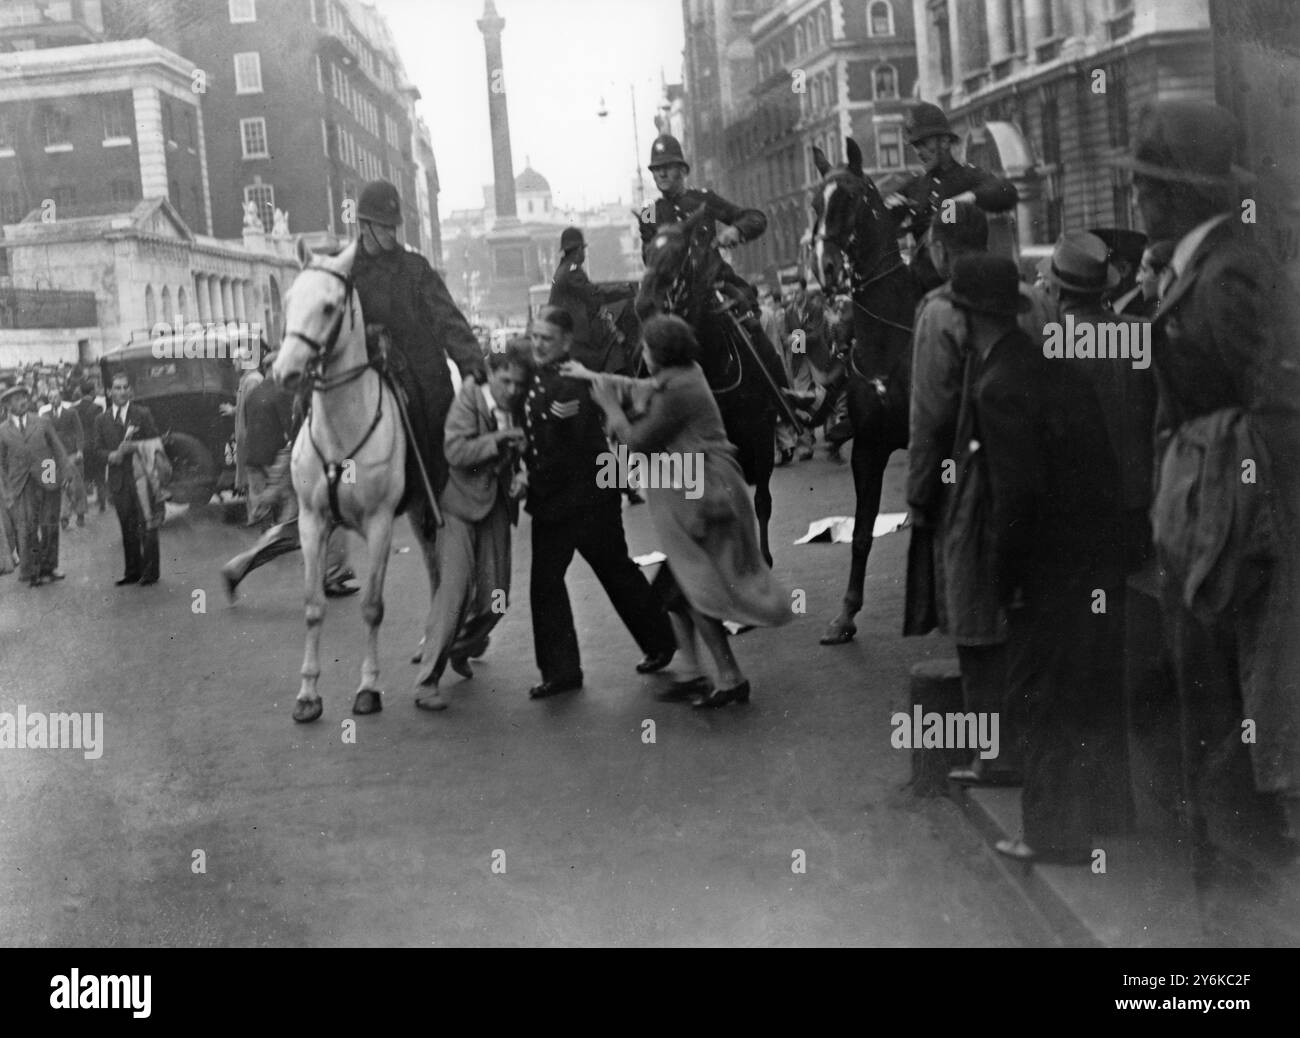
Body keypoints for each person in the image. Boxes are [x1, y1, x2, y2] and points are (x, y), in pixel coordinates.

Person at [1124, 100, 1300, 885]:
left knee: (1230, 687)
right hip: (1207, 512)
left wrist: (1239, 506)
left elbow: (1276, 409)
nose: (1138, 199)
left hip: (1237, 519)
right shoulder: (1195, 263)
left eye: (1147, 186)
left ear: (1175, 196)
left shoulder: (1229, 274)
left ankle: (1234, 871)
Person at [943, 256, 1124, 864]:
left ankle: (1050, 836)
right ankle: (1105, 816)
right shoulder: (1047, 363)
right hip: (1090, 556)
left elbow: (1014, 498)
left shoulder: (996, 387)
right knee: (1084, 689)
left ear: (971, 317)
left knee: (1037, 696)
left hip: (1045, 568)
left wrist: (1007, 580)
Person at [567, 315, 792, 707]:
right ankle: (693, 672)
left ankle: (728, 677)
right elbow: (642, 386)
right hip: (703, 490)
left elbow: (637, 442)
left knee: (692, 591)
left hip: (705, 496)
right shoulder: (686, 374)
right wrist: (588, 374)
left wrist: (608, 406)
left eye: (647, 349)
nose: (643, 355)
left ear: (660, 353)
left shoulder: (677, 392)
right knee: (676, 590)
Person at [905, 202, 1054, 783]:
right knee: (1024, 611)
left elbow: (930, 414)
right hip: (1034, 472)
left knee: (973, 614)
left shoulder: (939, 312)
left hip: (968, 479)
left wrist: (922, 496)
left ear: (941, 249)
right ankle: (1025, 746)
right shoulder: (1033, 298)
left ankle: (993, 756)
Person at [522, 306, 675, 699]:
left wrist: (529, 480)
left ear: (566, 342)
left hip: (586, 498)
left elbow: (566, 449)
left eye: (547, 339)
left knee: (615, 572)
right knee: (546, 584)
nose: (538, 344)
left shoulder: (575, 381)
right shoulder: (539, 376)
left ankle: (661, 642)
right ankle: (562, 671)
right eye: (535, 336)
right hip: (556, 500)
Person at [351, 179, 486, 536]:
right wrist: (365, 336)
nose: (391, 237)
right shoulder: (347, 271)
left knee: (435, 427)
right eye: (383, 228)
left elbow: (448, 320)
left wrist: (471, 363)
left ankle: (435, 499)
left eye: (393, 229)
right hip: (368, 369)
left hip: (422, 371)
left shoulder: (415, 268)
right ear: (363, 226)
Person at [414, 341, 531, 711]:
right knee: (455, 592)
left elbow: (522, 451)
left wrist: (522, 476)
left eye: (518, 384)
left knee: (497, 599)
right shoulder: (468, 399)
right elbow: (455, 452)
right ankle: (427, 681)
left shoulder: (519, 403)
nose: (512, 390)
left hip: (496, 504)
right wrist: (498, 441)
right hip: (460, 505)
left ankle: (459, 648)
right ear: (491, 373)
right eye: (506, 381)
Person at [637, 134, 788, 389]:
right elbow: (647, 254)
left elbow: (755, 218)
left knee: (754, 330)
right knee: (643, 353)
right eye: (656, 169)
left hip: (714, 288)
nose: (660, 174)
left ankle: (785, 401)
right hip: (672, 297)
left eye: (667, 167)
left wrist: (736, 231)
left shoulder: (703, 199)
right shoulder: (650, 210)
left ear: (683, 170)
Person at [220, 352, 357, 600]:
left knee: (296, 530)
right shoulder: (318, 396)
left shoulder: (306, 393)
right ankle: (333, 577)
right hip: (316, 468)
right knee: (322, 523)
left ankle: (238, 567)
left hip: (303, 464)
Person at [885, 102, 1019, 293]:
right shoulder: (914, 186)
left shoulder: (968, 177)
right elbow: (880, 221)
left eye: (923, 143)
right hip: (920, 288)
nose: (918, 151)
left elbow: (1007, 191)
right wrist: (891, 219)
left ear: (945, 141)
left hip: (961, 285)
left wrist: (969, 197)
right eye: (915, 145)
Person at [95, 372, 161, 586]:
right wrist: (109, 456)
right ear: (108, 391)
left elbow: (156, 443)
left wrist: (133, 447)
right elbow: (95, 450)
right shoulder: (101, 420)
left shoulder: (142, 414)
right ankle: (133, 571)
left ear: (130, 390)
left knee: (147, 523)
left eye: (125, 388)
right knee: (127, 526)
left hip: (141, 478)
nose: (122, 392)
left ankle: (150, 572)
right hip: (119, 482)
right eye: (117, 388)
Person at [0, 383, 70, 587]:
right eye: (15, 400)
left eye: (23, 397)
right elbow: (2, 462)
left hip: (47, 476)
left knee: (49, 525)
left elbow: (58, 448)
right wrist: (8, 488)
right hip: (21, 484)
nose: (22, 402)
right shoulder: (2, 431)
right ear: (6, 405)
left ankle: (50, 567)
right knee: (27, 528)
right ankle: (35, 570)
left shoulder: (42, 422)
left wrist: (64, 473)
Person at [547, 226, 638, 374]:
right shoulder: (572, 270)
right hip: (573, 335)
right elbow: (594, 294)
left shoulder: (564, 268)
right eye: (582, 249)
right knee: (613, 348)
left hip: (566, 330)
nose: (583, 253)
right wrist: (626, 290)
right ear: (577, 251)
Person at [40, 383, 86, 529]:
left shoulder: (71, 413)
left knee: (75, 484)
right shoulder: (45, 417)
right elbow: (43, 437)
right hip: (54, 456)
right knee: (60, 486)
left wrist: (80, 450)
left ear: (61, 397)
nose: (53, 400)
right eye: (50, 398)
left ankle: (80, 513)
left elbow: (79, 432)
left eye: (56, 396)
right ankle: (64, 516)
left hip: (71, 452)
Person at [74, 379, 106, 514]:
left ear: (81, 393)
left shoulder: (73, 409)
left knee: (84, 476)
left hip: (81, 446)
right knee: (100, 475)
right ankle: (102, 503)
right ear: (92, 392)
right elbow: (101, 428)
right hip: (95, 445)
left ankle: (84, 505)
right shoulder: (98, 408)